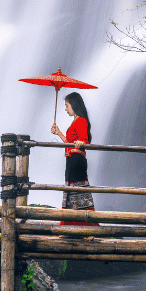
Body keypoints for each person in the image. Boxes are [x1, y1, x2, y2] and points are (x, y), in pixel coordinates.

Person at [50, 92, 98, 225]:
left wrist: (81, 142)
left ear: (74, 105)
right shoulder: (75, 121)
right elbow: (70, 142)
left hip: (77, 160)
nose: (65, 109)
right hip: (71, 160)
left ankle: (89, 227)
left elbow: (84, 140)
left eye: (67, 106)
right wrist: (58, 132)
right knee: (71, 192)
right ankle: (70, 227)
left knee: (79, 192)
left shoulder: (81, 120)